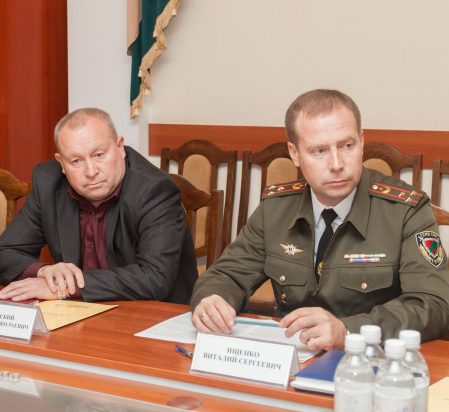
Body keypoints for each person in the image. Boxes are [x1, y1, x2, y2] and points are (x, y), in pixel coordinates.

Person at [191, 89, 449, 349]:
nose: (336, 164)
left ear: (361, 142)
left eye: (347, 146)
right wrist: (212, 300)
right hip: (293, 356)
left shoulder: (405, 210)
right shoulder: (276, 208)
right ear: (294, 154)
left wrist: (348, 331)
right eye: (319, 151)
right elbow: (225, 275)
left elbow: (433, 305)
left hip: (371, 360)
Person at [0, 108, 197, 304]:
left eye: (99, 155)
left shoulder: (154, 190)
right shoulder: (48, 183)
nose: (91, 171)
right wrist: (45, 272)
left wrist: (65, 287)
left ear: (120, 147)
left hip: (150, 315)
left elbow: (155, 278)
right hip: (80, 314)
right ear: (62, 164)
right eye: (76, 161)